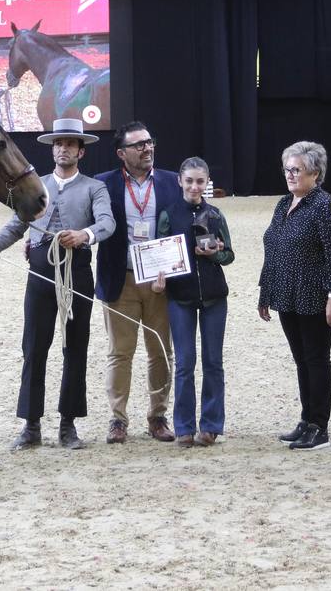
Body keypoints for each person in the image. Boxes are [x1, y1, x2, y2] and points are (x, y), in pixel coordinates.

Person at [0, 118, 115, 450]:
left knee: (75, 348)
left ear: (81, 151)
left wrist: (85, 234)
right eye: (58, 144)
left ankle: (68, 425)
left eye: (69, 144)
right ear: (53, 150)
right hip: (39, 271)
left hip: (76, 270)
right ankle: (31, 425)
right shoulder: (37, 185)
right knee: (34, 348)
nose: (63, 148)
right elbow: (17, 223)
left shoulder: (95, 188)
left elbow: (107, 222)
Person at [95, 121, 181, 444]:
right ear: (121, 153)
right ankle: (117, 419)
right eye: (138, 145)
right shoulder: (103, 185)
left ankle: (158, 416)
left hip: (161, 282)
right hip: (122, 280)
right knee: (120, 353)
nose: (147, 148)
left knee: (161, 351)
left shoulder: (173, 182)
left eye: (149, 142)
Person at [258, 141, 331, 451]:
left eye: (297, 170)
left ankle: (320, 425)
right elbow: (273, 249)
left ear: (315, 174)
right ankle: (306, 420)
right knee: (301, 360)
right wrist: (266, 291)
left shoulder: (323, 206)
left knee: (317, 359)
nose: (290, 175)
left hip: (313, 295)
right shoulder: (283, 203)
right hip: (286, 295)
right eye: (287, 169)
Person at [153, 157, 234, 448]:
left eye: (200, 181)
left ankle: (211, 425)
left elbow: (229, 255)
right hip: (180, 298)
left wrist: (215, 253)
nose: (194, 186)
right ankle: (184, 427)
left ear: (207, 183)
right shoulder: (168, 214)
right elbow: (158, 255)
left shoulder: (215, 215)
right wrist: (158, 279)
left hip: (214, 297)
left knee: (213, 362)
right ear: (180, 181)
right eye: (189, 181)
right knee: (185, 363)